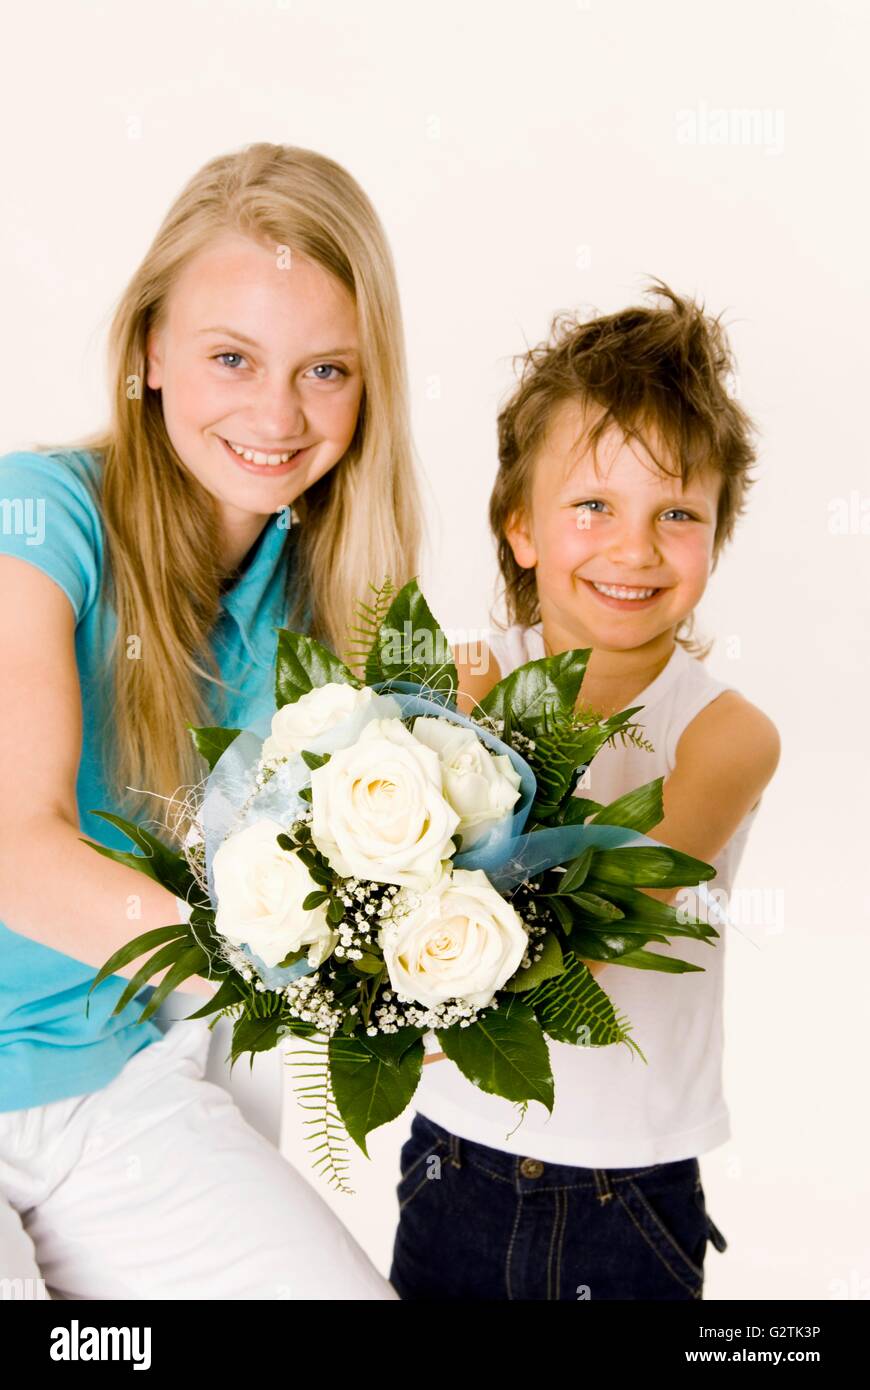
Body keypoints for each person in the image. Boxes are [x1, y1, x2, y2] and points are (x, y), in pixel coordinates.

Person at [0, 141, 423, 1299]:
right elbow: (16, 854)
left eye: (326, 370)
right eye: (230, 356)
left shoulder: (327, 602)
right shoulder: (36, 522)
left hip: (121, 1093)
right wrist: (297, 973)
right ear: (148, 351)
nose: (276, 414)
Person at [392, 283, 781, 1300]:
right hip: (455, 1160)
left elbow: (615, 906)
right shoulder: (465, 677)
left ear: (715, 538)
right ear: (521, 528)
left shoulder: (726, 733)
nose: (636, 547)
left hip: (630, 1194)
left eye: (678, 513)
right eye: (594, 505)